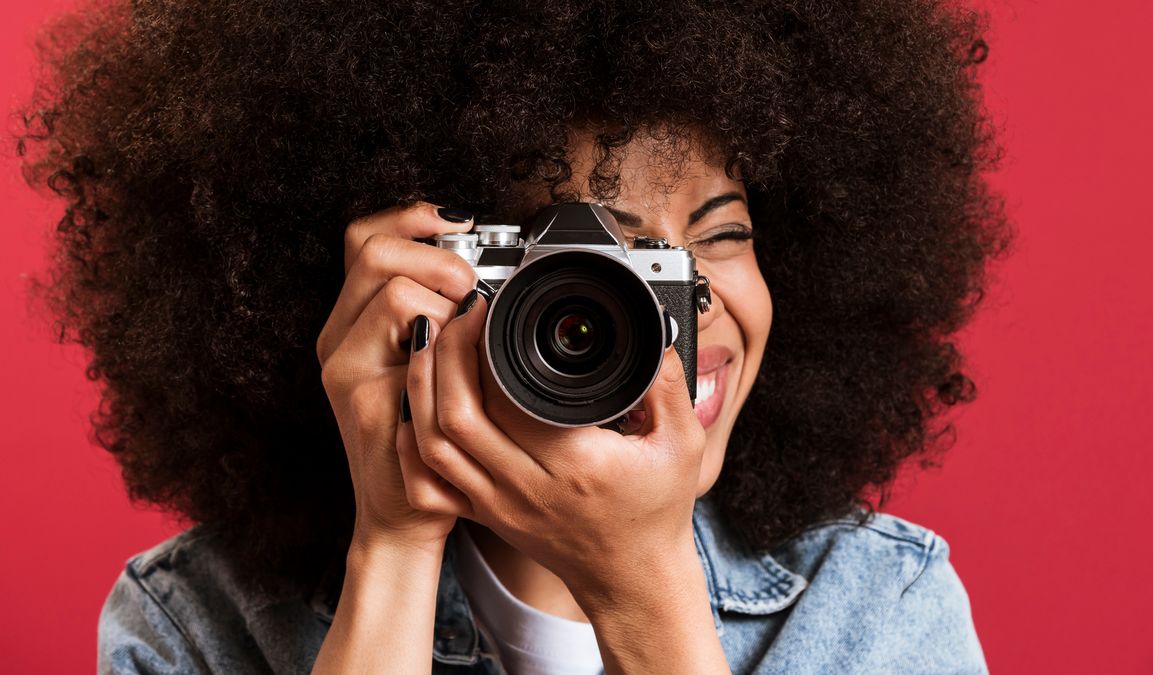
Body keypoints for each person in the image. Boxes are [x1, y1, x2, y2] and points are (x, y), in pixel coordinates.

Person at [19, 0, 1009, 673]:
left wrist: (645, 590)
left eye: (724, 235)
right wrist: (396, 546)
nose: (692, 300)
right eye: (603, 268)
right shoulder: (196, 620)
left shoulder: (873, 604)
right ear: (436, 278)